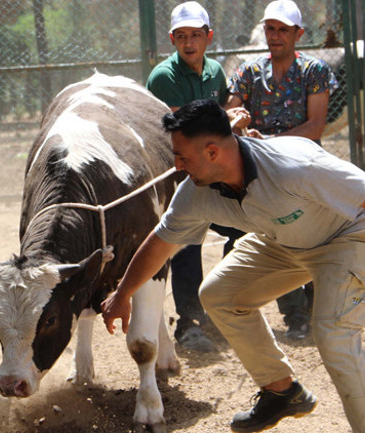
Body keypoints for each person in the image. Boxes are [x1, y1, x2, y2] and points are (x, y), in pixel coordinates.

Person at [101, 99, 365, 433]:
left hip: (349, 236)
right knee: (220, 294)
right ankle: (282, 392)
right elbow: (160, 243)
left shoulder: (293, 166)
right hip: (284, 239)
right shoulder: (196, 191)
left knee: (334, 337)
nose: (176, 165)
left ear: (212, 152)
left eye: (181, 156)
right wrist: (122, 294)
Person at [226, 0, 339, 339]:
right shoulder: (247, 72)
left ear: (298, 33)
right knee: (278, 238)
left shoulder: (314, 71)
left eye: (283, 30)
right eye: (270, 29)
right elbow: (231, 116)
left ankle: (318, 311)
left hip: (304, 166)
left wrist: (270, 140)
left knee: (315, 237)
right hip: (264, 170)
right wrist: (239, 123)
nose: (275, 36)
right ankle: (295, 318)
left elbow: (316, 126)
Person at [145, 1, 235, 352]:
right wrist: (225, 120)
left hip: (214, 171)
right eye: (181, 36)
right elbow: (179, 130)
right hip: (180, 174)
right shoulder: (164, 77)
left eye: (195, 35)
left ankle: (218, 304)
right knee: (185, 241)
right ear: (172, 39)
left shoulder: (216, 72)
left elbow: (217, 121)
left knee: (242, 231)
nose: (189, 43)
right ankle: (189, 322)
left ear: (208, 37)